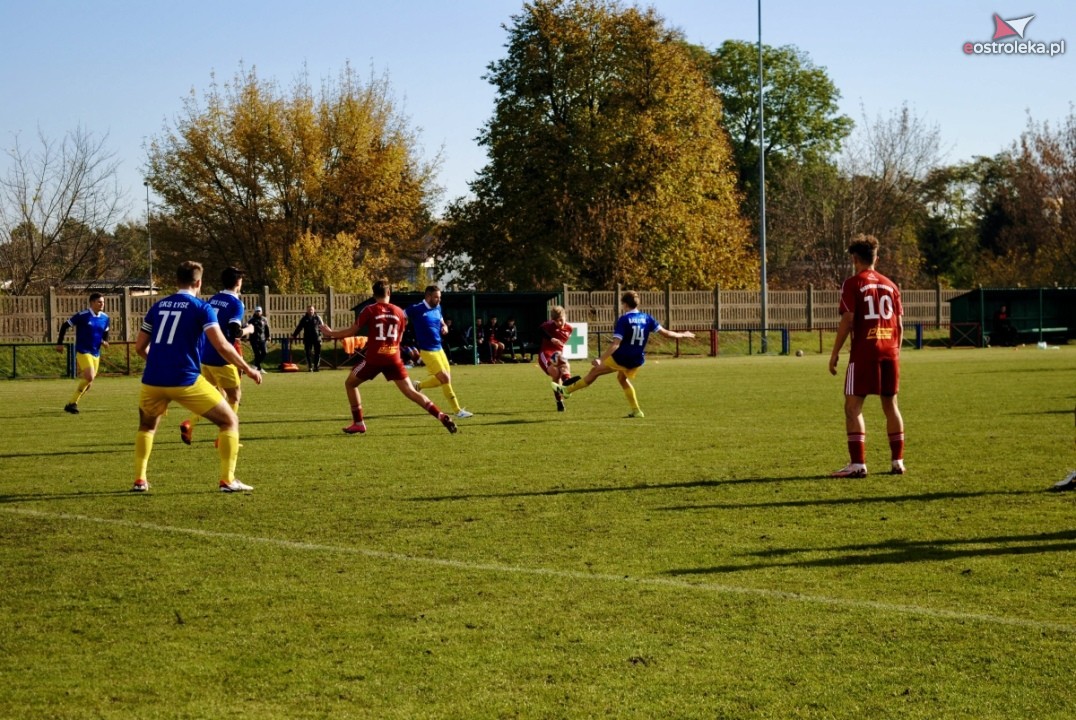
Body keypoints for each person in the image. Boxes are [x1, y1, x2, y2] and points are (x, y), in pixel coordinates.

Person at [132, 261, 262, 493]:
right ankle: (227, 480)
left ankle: (140, 480)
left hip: (152, 380)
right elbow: (222, 345)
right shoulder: (201, 308)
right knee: (229, 421)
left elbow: (140, 347)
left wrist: (158, 363)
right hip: (185, 380)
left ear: (176, 280)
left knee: (147, 427)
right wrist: (249, 368)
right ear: (199, 282)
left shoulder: (158, 306)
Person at [319, 279, 458, 435]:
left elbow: (351, 331)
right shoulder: (398, 311)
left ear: (374, 295)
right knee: (411, 392)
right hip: (393, 357)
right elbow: (400, 337)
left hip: (374, 358)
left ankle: (358, 423)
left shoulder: (369, 310)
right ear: (389, 293)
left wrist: (330, 333)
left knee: (350, 384)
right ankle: (440, 415)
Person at [827, 234, 905, 478]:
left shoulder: (853, 284)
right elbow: (899, 325)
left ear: (854, 259)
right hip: (890, 352)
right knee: (890, 406)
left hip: (864, 353)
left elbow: (848, 319)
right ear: (876, 258)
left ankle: (857, 464)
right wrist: (896, 351)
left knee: (852, 407)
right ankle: (897, 462)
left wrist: (835, 352)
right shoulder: (891, 285)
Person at [557, 292, 694, 418]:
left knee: (594, 371)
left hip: (622, 357)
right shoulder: (647, 318)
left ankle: (567, 390)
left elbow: (616, 344)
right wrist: (683, 334)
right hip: (637, 359)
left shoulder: (624, 319)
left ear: (625, 304)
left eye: (622, 304)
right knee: (622, 379)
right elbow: (667, 333)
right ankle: (636, 411)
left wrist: (600, 359)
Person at [180, 266, 253, 445]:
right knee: (235, 396)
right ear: (238, 282)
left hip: (205, 356)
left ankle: (190, 423)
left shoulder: (213, 299)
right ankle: (224, 437)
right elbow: (234, 330)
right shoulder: (236, 303)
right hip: (222, 358)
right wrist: (249, 329)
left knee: (213, 395)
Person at [405, 284, 473, 419]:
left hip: (439, 349)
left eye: (440, 297)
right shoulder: (416, 308)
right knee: (445, 378)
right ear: (428, 296)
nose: (439, 300)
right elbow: (400, 315)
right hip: (427, 351)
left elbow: (441, 320)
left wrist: (444, 326)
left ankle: (418, 386)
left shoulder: (438, 307)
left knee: (444, 379)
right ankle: (458, 411)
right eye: (436, 297)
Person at [55, 292, 110, 414]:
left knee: (88, 383)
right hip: (83, 351)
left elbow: (105, 332)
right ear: (92, 303)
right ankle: (72, 403)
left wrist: (105, 341)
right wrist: (59, 343)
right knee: (89, 377)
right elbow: (64, 326)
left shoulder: (105, 318)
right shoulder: (82, 316)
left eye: (103, 302)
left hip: (96, 353)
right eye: (99, 302)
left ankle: (72, 403)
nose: (102, 304)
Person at [537, 306, 577, 412]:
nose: (559, 323)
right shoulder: (549, 325)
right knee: (557, 371)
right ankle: (566, 385)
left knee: (558, 372)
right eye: (556, 321)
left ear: (565, 316)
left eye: (561, 320)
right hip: (546, 354)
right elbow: (539, 330)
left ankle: (560, 399)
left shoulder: (569, 329)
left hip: (558, 354)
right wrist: (551, 339)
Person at [292, 306, 324, 371]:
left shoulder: (318, 318)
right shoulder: (304, 319)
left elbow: (323, 327)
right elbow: (299, 327)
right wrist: (294, 335)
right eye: (309, 310)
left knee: (317, 353)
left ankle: (316, 366)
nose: (310, 311)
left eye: (311, 310)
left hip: (317, 338)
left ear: (314, 310)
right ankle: (310, 367)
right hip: (307, 338)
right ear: (307, 311)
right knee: (308, 353)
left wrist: (326, 334)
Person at [249, 306, 271, 371]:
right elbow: (247, 327)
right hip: (254, 339)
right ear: (255, 312)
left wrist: (268, 336)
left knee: (264, 352)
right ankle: (258, 368)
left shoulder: (264, 319)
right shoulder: (251, 320)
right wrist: (244, 337)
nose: (258, 312)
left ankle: (255, 365)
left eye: (259, 311)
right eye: (257, 311)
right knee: (257, 354)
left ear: (261, 312)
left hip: (262, 339)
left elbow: (267, 328)